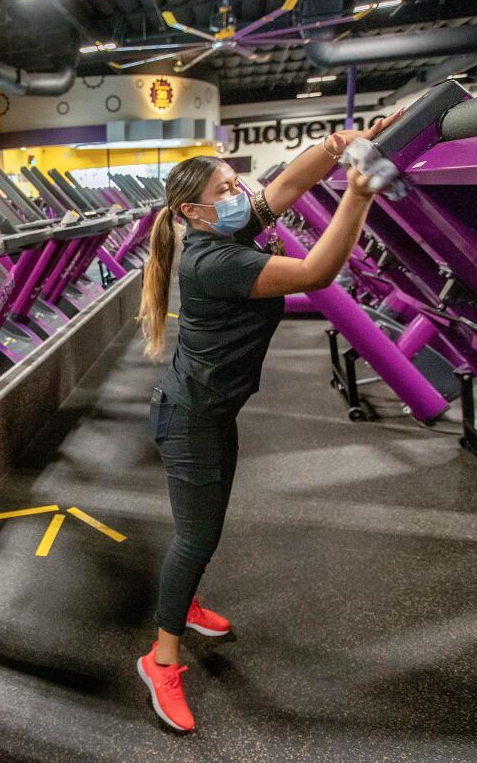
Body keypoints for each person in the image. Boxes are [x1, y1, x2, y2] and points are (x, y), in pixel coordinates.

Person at [135, 113, 403, 732]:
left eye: (235, 182)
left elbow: (286, 185)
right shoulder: (212, 261)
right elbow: (314, 274)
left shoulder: (223, 227)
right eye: (224, 191)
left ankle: (184, 602)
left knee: (200, 530)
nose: (241, 195)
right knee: (196, 537)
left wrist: (340, 144)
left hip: (209, 411)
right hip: (191, 419)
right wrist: (358, 195)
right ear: (194, 214)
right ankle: (160, 657)